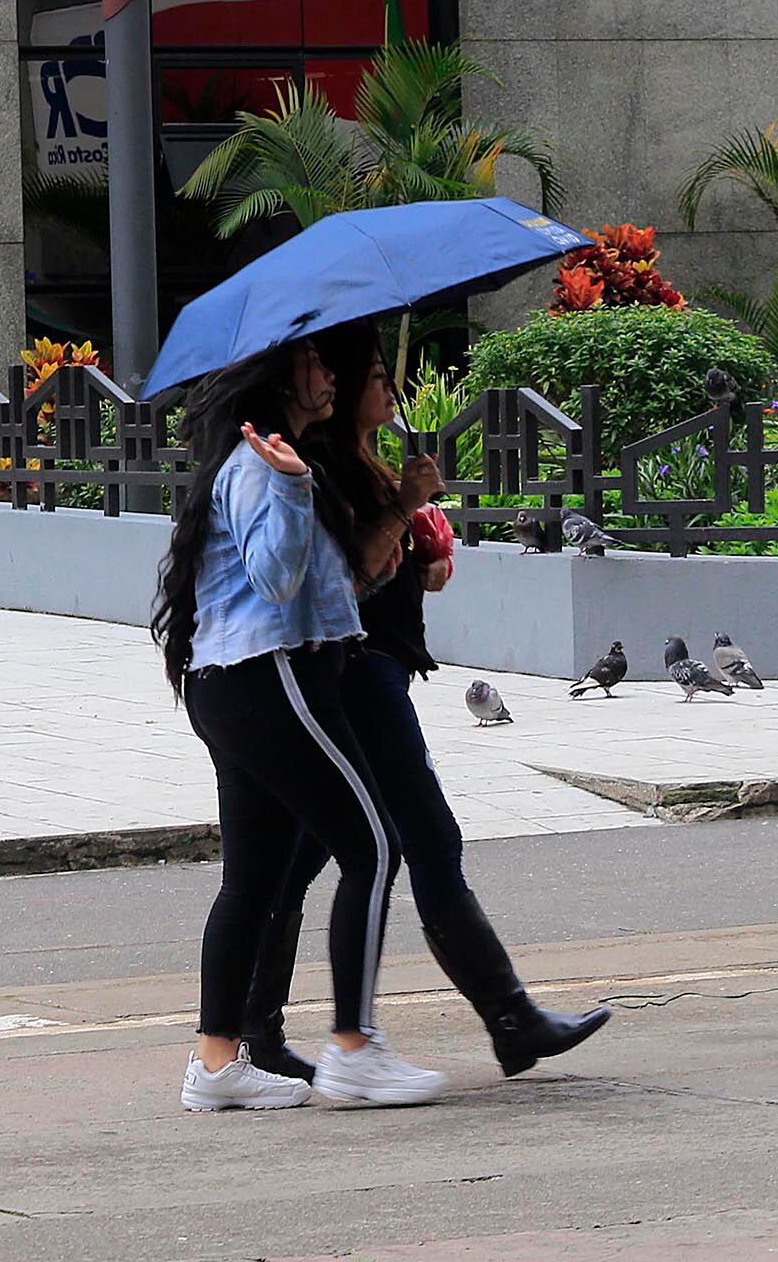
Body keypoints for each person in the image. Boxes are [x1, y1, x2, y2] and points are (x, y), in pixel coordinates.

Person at [231, 322, 612, 1082]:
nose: (387, 388)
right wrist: (405, 510)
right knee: (423, 840)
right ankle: (497, 1019)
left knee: (306, 857)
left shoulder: (359, 462)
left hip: (377, 672)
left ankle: (258, 1032)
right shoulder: (321, 465)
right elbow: (344, 579)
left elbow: (381, 569)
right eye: (375, 376)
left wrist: (421, 556)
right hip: (360, 678)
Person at [153, 336, 446, 1111]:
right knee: (374, 847)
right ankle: (354, 1048)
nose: (331, 375)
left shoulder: (272, 460)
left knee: (251, 881)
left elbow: (314, 583)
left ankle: (216, 1065)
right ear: (282, 379)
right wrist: (289, 487)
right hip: (270, 679)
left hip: (241, 684)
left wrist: (380, 553)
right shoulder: (262, 467)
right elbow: (276, 581)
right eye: (317, 364)